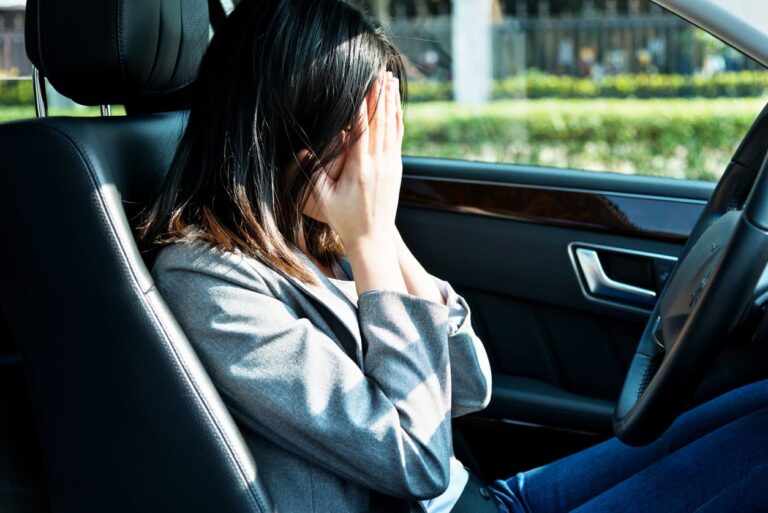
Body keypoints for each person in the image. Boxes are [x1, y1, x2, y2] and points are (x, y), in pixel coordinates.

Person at [139, 1, 768, 512]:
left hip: (485, 498)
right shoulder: (209, 282)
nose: (373, 162)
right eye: (359, 136)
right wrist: (369, 238)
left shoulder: (314, 233)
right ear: (287, 131)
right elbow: (415, 460)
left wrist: (380, 235)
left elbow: (468, 385)